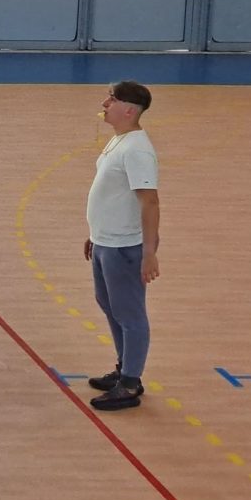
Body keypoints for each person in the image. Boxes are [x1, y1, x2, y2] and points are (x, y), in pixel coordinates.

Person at [84, 80, 160, 412]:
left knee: (130, 314)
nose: (105, 103)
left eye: (112, 99)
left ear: (129, 110)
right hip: (105, 241)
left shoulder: (137, 150)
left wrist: (149, 252)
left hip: (123, 248)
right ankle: (123, 367)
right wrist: (95, 232)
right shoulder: (119, 140)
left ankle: (130, 383)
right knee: (109, 305)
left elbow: (150, 202)